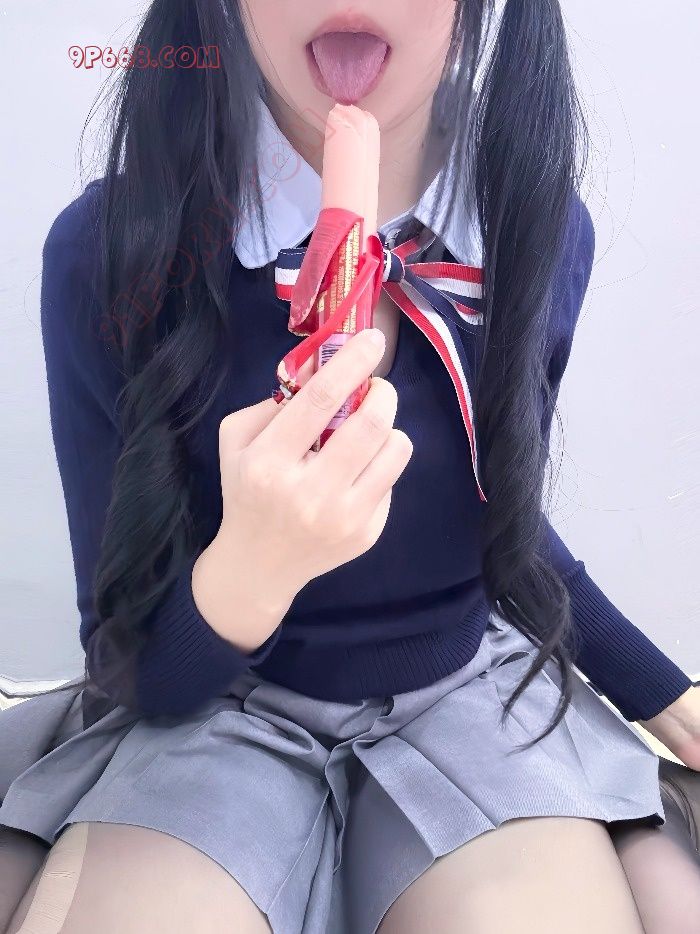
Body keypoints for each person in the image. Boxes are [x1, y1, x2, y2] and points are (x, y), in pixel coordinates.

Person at [1, 1, 699, 931]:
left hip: (468, 698)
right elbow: (130, 659)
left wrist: (666, 695)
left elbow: (497, 517)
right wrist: (254, 565)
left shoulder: (536, 228)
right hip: (209, 710)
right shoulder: (111, 249)